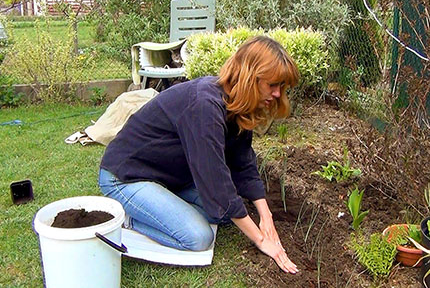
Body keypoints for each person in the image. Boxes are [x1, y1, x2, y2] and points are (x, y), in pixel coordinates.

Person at [98, 36, 299, 274]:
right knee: (198, 237)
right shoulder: (204, 106)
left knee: (225, 216)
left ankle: (159, 206)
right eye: (272, 85)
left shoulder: (236, 106)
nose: (277, 94)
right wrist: (261, 240)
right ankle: (126, 218)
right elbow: (216, 185)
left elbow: (243, 163)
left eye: (282, 88)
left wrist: (266, 217)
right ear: (249, 77)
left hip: (168, 177)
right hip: (126, 176)